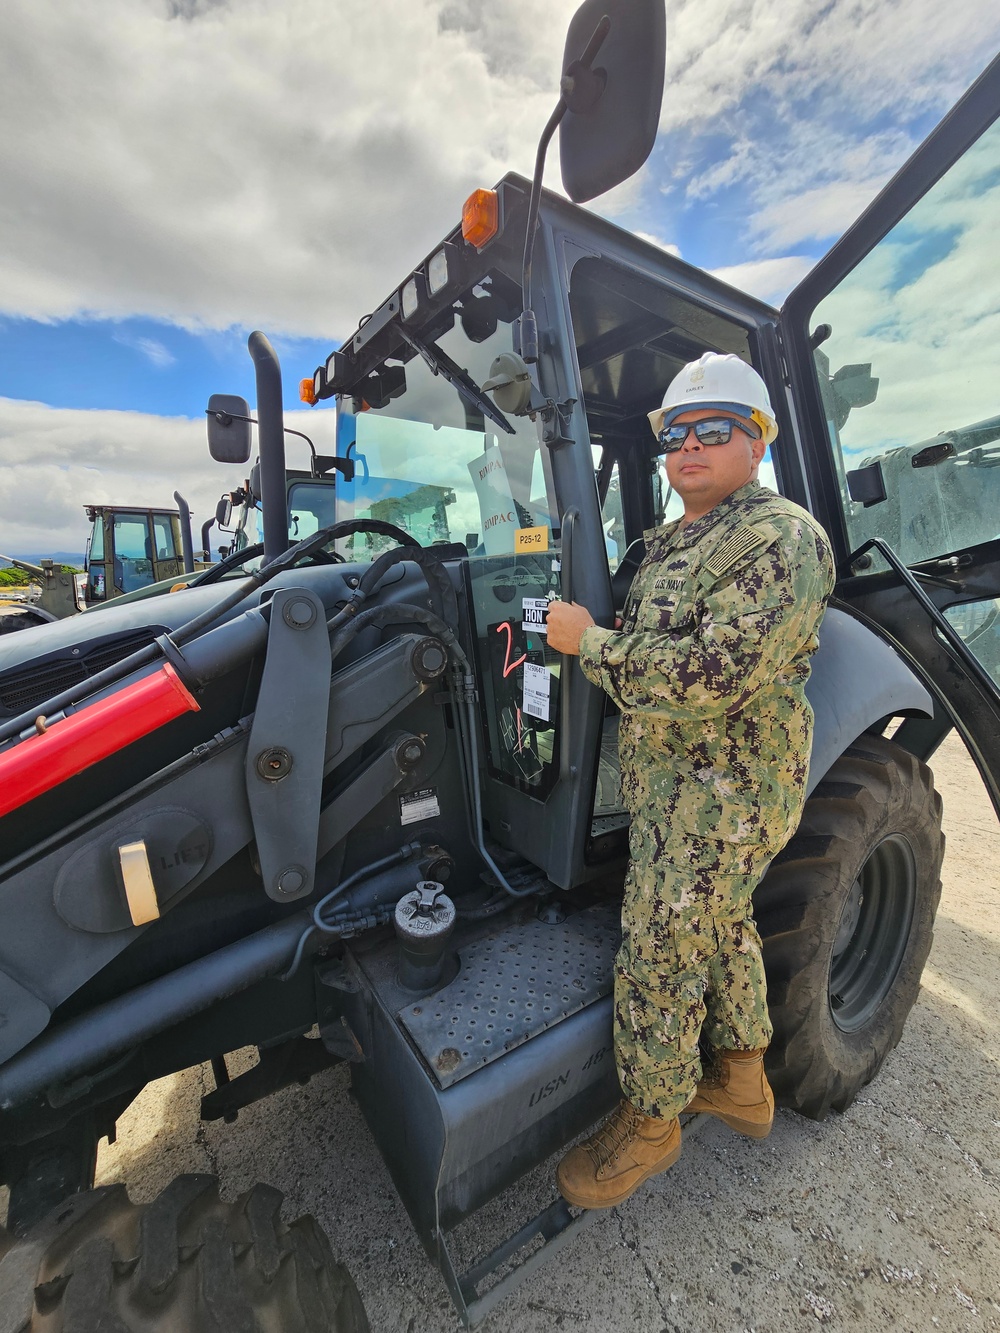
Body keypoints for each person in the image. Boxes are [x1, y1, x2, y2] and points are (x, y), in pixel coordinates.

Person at [546, 352, 835, 1210]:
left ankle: (652, 1122)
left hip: (726, 796)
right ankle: (743, 1079)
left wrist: (587, 644)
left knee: (660, 952)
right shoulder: (674, 537)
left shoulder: (779, 538)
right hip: (678, 787)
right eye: (676, 434)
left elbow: (710, 675)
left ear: (758, 443)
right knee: (726, 925)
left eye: (716, 430)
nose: (690, 448)